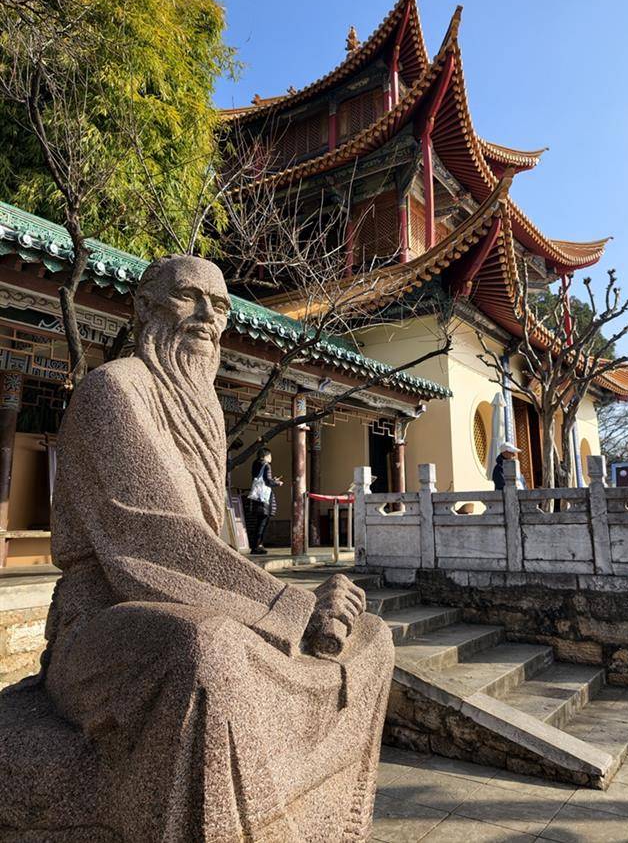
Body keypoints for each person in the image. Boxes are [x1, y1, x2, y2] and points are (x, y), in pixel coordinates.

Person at [35, 255, 393, 843]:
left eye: (221, 305)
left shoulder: (204, 409)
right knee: (207, 648)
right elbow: (155, 542)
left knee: (372, 638)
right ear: (144, 307)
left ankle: (326, 815)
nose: (208, 315)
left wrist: (292, 612)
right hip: (103, 617)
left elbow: (206, 550)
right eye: (189, 297)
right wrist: (297, 608)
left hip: (196, 600)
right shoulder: (114, 390)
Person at [247, 447, 282, 554]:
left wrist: (271, 480)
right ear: (265, 456)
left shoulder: (255, 464)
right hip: (264, 498)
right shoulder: (266, 465)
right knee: (263, 522)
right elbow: (267, 481)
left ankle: (256, 545)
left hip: (257, 496)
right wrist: (277, 483)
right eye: (269, 455)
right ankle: (257, 546)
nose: (271, 457)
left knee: (258, 522)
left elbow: (260, 478)